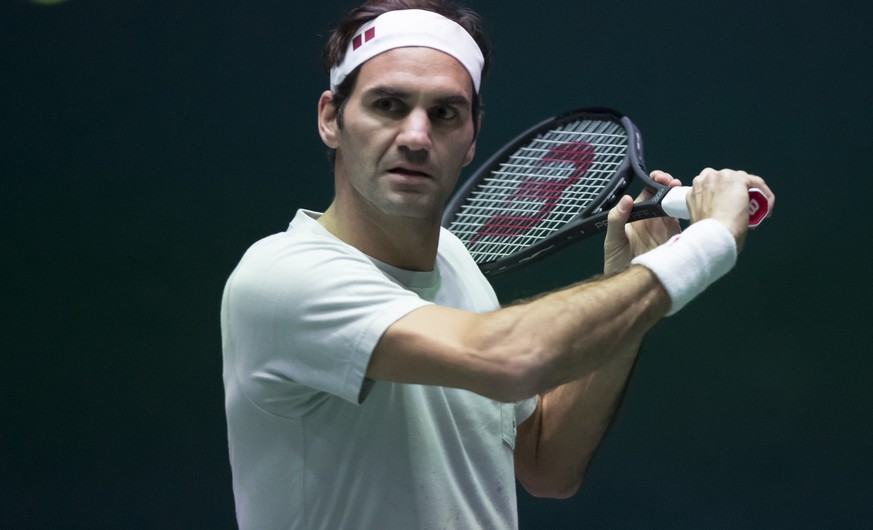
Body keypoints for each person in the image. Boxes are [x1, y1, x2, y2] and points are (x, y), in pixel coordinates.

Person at [220, 0, 775, 528]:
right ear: (331, 119)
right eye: (388, 104)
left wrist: (629, 282)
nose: (416, 135)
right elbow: (507, 357)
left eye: (444, 113)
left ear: (470, 138)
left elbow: (546, 465)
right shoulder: (281, 277)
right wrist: (704, 248)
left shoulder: (454, 260)